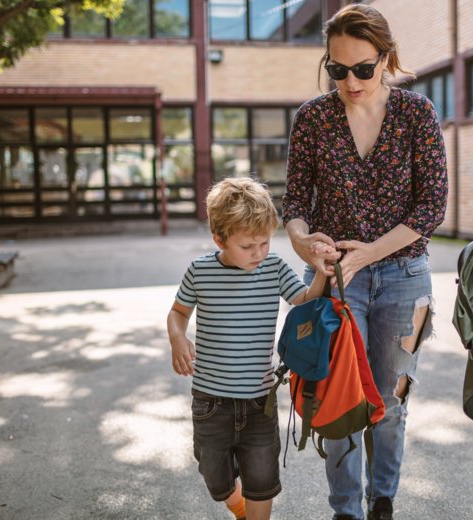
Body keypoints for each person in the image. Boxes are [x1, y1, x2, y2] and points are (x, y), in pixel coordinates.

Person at [281, 4, 448, 519]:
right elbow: (295, 204)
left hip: (403, 277)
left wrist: (371, 252)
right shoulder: (312, 118)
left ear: (386, 59)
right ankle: (345, 510)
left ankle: (382, 502)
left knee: (389, 401)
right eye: (337, 69)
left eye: (363, 68)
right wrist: (303, 242)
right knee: (339, 400)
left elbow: (432, 205)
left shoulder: (417, 114)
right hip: (337, 279)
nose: (349, 81)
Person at [167, 177, 328, 520]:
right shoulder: (200, 271)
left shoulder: (274, 268)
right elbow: (178, 313)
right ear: (219, 239)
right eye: (248, 246)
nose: (258, 253)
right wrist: (178, 338)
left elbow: (303, 301)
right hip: (211, 402)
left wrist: (321, 274)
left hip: (259, 402)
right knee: (215, 477)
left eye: (265, 242)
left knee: (262, 478)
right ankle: (235, 504)